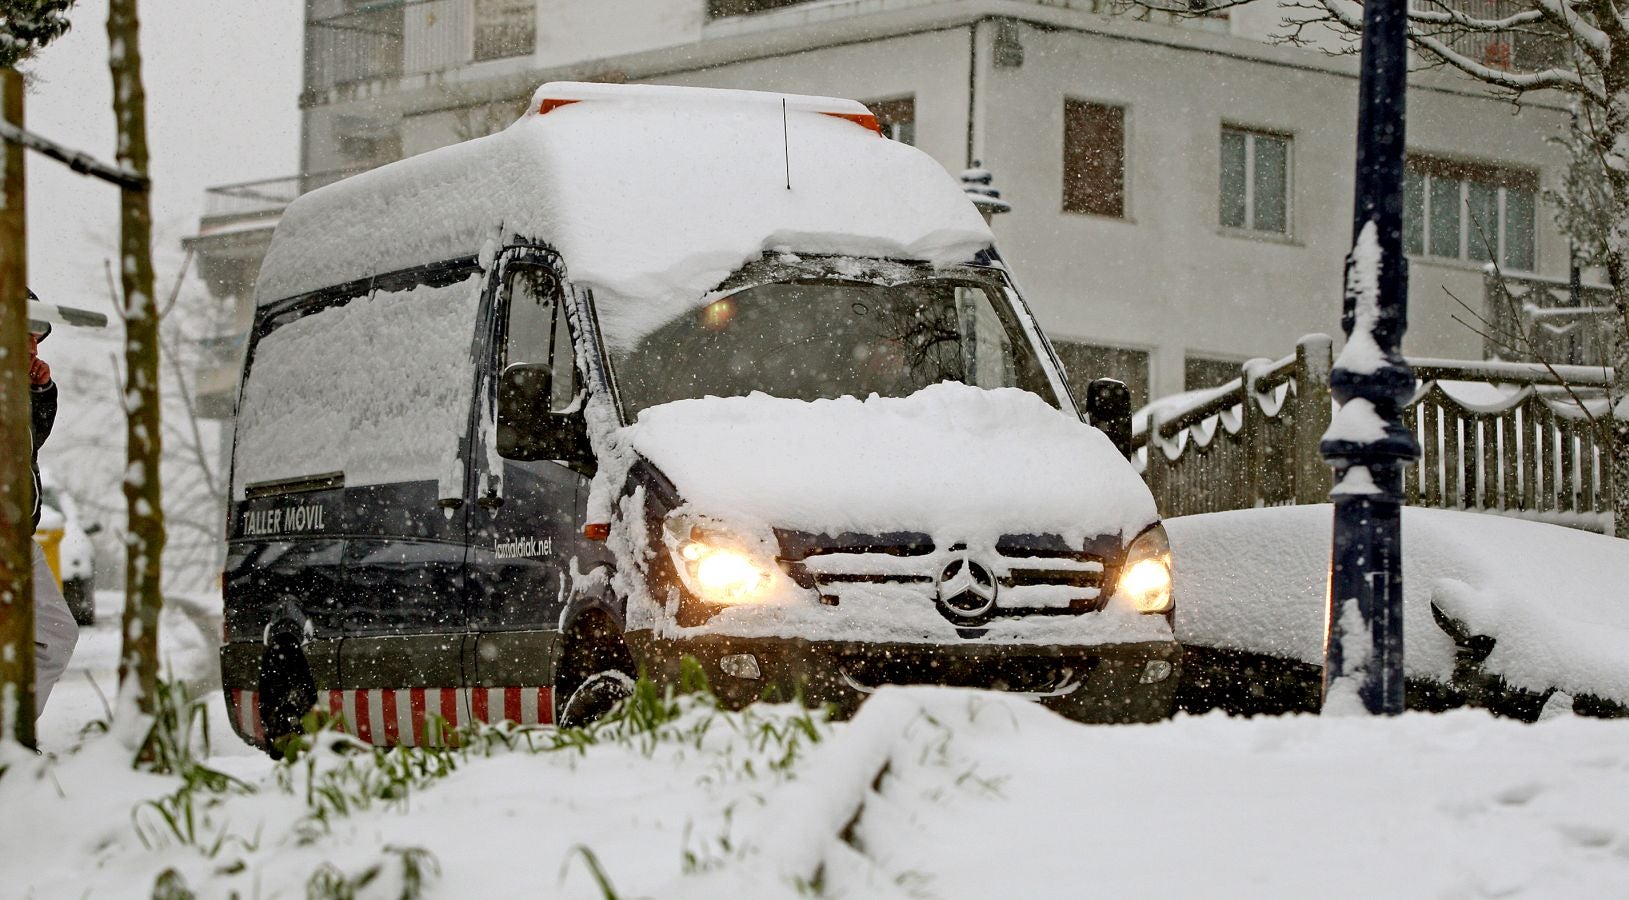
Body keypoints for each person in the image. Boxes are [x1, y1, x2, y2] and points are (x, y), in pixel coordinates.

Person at [26, 313, 78, 718]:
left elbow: (30, 445)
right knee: (52, 636)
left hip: (17, 538)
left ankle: (12, 733)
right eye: (24, 337)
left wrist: (40, 392)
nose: (34, 348)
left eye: (37, 339)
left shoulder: (17, 388)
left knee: (54, 636)